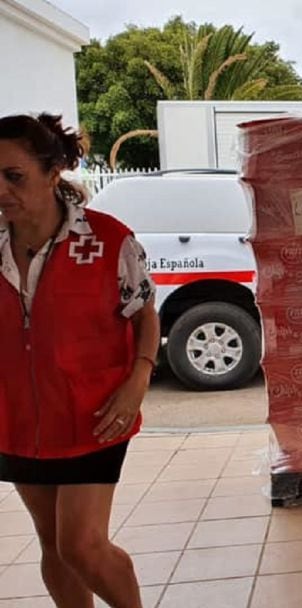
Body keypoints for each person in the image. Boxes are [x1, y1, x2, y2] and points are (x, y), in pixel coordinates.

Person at [0, 114, 159, 608]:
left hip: (96, 413)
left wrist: (138, 378)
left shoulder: (108, 240)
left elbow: (144, 312)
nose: (0, 190)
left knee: (81, 544)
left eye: (14, 175)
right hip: (18, 420)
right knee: (53, 544)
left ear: (52, 174)